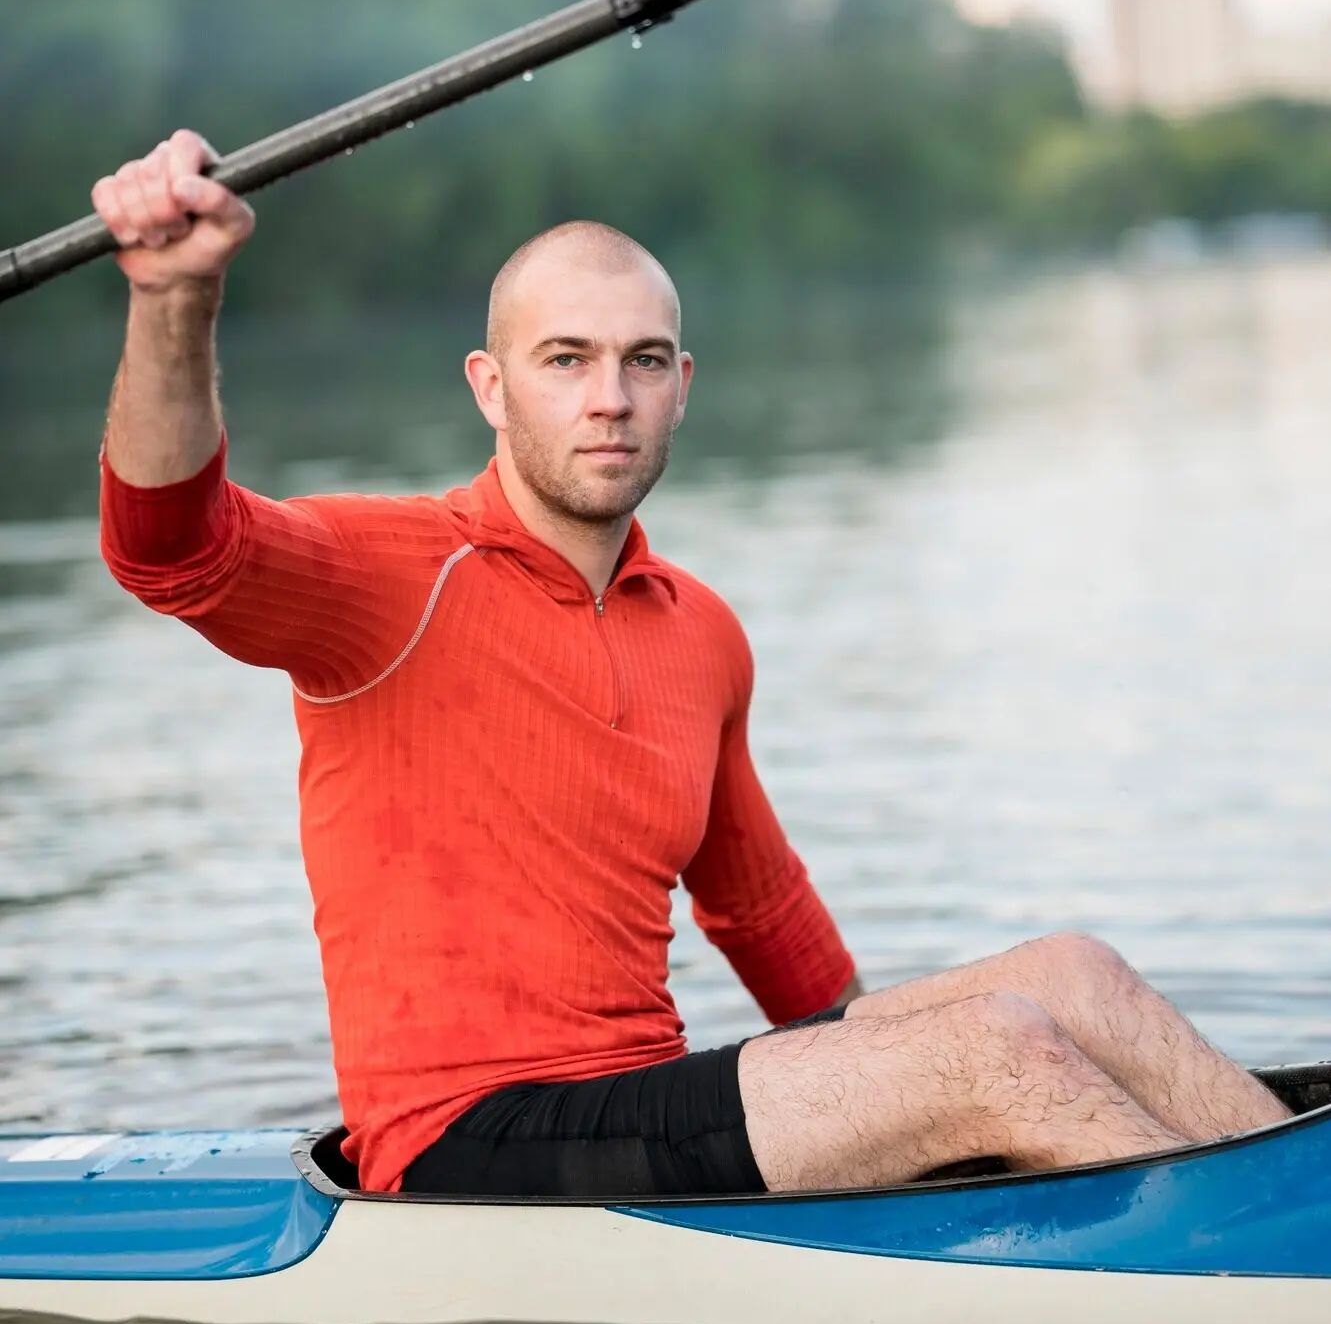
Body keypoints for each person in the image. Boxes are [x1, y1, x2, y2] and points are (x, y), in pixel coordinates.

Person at [94, 130, 1290, 1198]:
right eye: (565, 359)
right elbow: (170, 548)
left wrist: (887, 1097)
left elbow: (765, 916)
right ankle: (1264, 1287)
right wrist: (171, 297)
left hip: (641, 1104)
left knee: (1069, 981)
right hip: (460, 1140)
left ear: (682, 387)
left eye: (644, 360)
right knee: (999, 1050)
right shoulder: (385, 575)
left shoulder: (698, 627)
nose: (609, 398)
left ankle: (1292, 1215)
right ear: (490, 385)